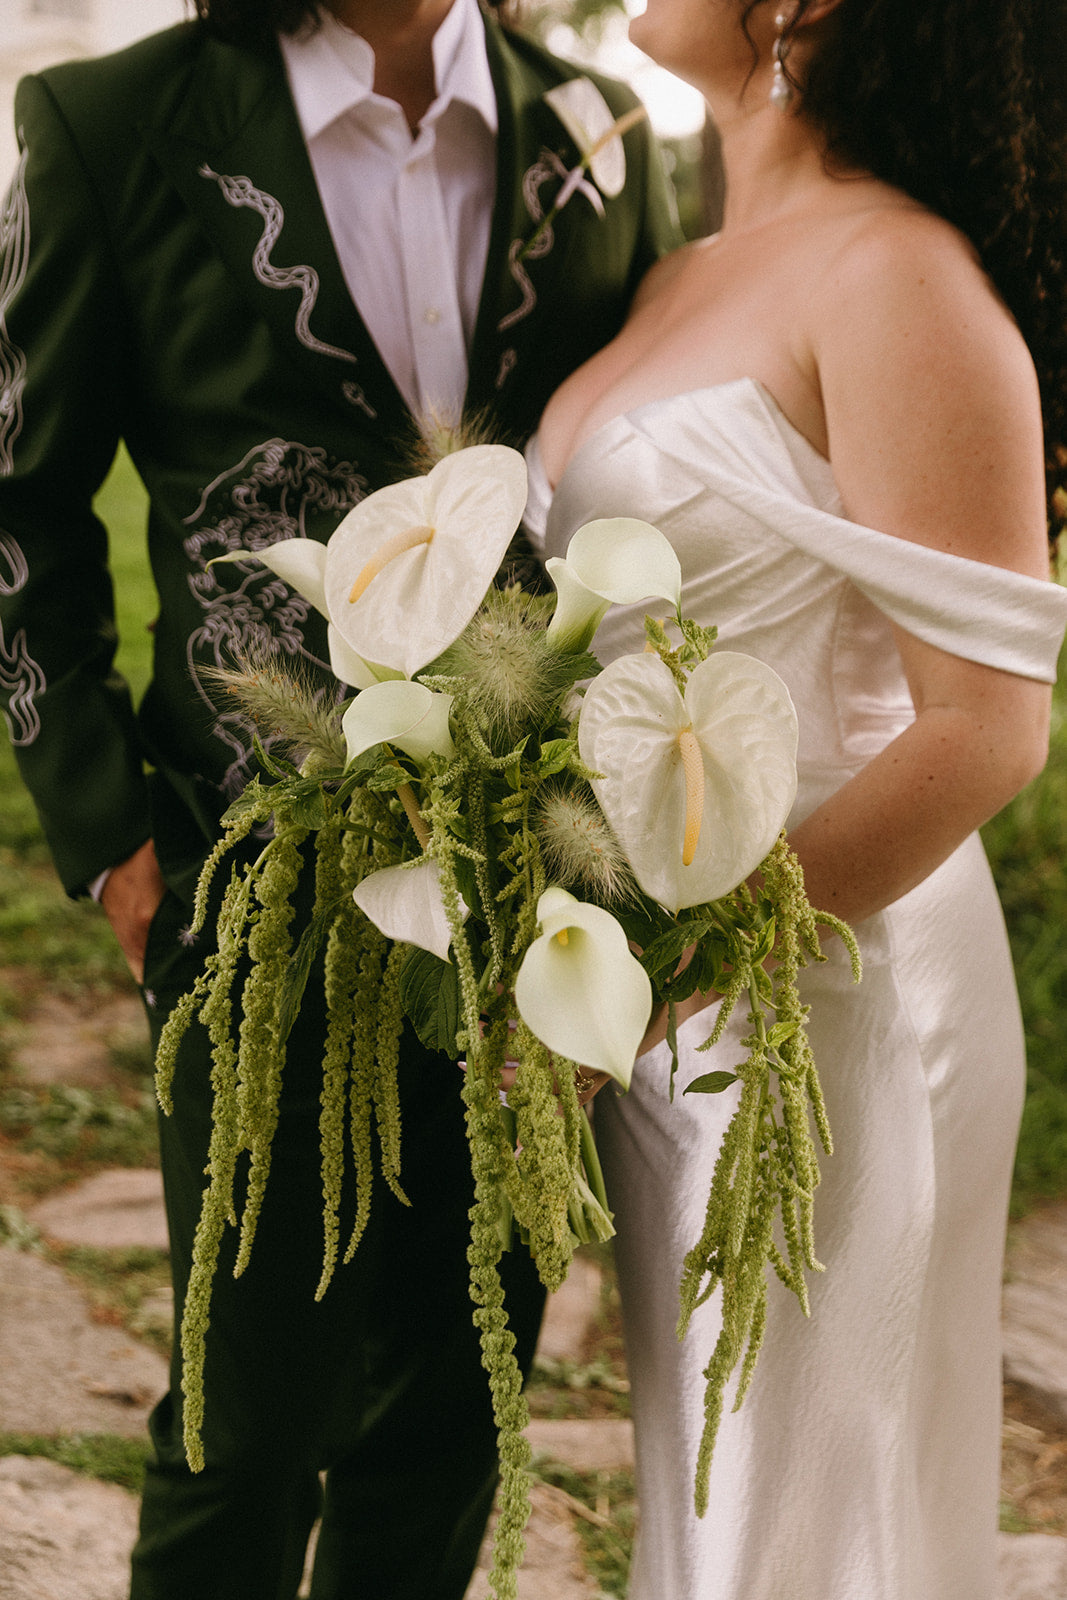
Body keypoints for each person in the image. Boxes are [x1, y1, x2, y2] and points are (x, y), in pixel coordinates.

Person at [0, 2, 678, 1595]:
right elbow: (15, 521)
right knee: (244, 1432)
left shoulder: (598, 129)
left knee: (455, 1417)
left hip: (535, 902)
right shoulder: (108, 124)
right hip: (251, 890)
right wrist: (116, 849)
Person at [522, 0, 1067, 1595]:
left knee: (804, 1518)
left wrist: (675, 975)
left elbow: (984, 728)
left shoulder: (897, 273)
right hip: (664, 994)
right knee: (716, 1488)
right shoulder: (681, 264)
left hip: (839, 986)